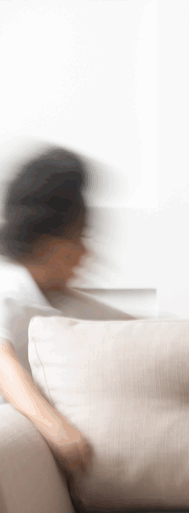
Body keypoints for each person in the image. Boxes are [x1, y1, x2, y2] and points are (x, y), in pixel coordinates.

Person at [0, 147, 134, 478]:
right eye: (80, 238)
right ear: (49, 246)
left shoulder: (60, 300)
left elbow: (135, 330)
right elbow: (2, 362)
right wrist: (56, 428)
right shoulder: (8, 288)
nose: (88, 253)